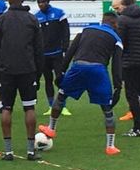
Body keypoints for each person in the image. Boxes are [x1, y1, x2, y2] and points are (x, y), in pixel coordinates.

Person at [39, 13, 123, 156]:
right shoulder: (117, 39)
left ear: (102, 21)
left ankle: (51, 128)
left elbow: (70, 52)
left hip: (78, 67)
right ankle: (110, 146)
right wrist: (118, 87)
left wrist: (61, 72)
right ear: (115, 24)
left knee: (61, 96)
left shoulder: (85, 30)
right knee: (107, 109)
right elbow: (117, 65)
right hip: (98, 71)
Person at [0, 0, 43, 161]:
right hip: (27, 70)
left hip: (6, 70)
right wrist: (38, 73)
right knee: (29, 107)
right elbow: (38, 50)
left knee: (6, 108)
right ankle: (30, 151)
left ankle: (8, 151)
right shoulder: (31, 19)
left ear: (8, 0)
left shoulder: (1, 20)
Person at [112, 0, 140, 137]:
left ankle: (138, 127)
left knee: (131, 95)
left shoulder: (123, 20)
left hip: (130, 63)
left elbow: (120, 42)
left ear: (123, 3)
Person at [35, 0, 72, 116]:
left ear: (47, 1)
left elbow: (65, 32)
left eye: (43, 2)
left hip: (57, 53)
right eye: (39, 3)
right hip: (44, 55)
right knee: (48, 80)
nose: (40, 5)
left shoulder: (59, 13)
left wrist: (65, 49)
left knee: (61, 80)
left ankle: (63, 105)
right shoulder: (36, 17)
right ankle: (51, 106)